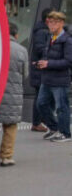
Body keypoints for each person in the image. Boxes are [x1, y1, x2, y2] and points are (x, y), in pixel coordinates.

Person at [0, 24, 28, 166]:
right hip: (14, 93)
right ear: (16, 35)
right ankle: (6, 157)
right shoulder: (22, 51)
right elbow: (25, 74)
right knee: (10, 125)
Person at [36, 11, 72, 142]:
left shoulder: (67, 40)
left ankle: (65, 133)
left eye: (54, 22)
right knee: (41, 104)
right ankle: (54, 128)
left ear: (61, 23)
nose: (51, 25)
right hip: (47, 78)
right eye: (49, 22)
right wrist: (41, 63)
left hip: (60, 80)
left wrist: (48, 63)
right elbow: (48, 56)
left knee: (62, 107)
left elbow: (69, 62)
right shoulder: (50, 38)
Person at [29, 7, 55, 132]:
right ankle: (36, 122)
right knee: (40, 96)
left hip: (43, 69)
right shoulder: (41, 32)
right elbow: (40, 49)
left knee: (45, 96)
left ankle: (43, 119)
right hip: (40, 70)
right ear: (48, 19)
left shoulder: (46, 31)